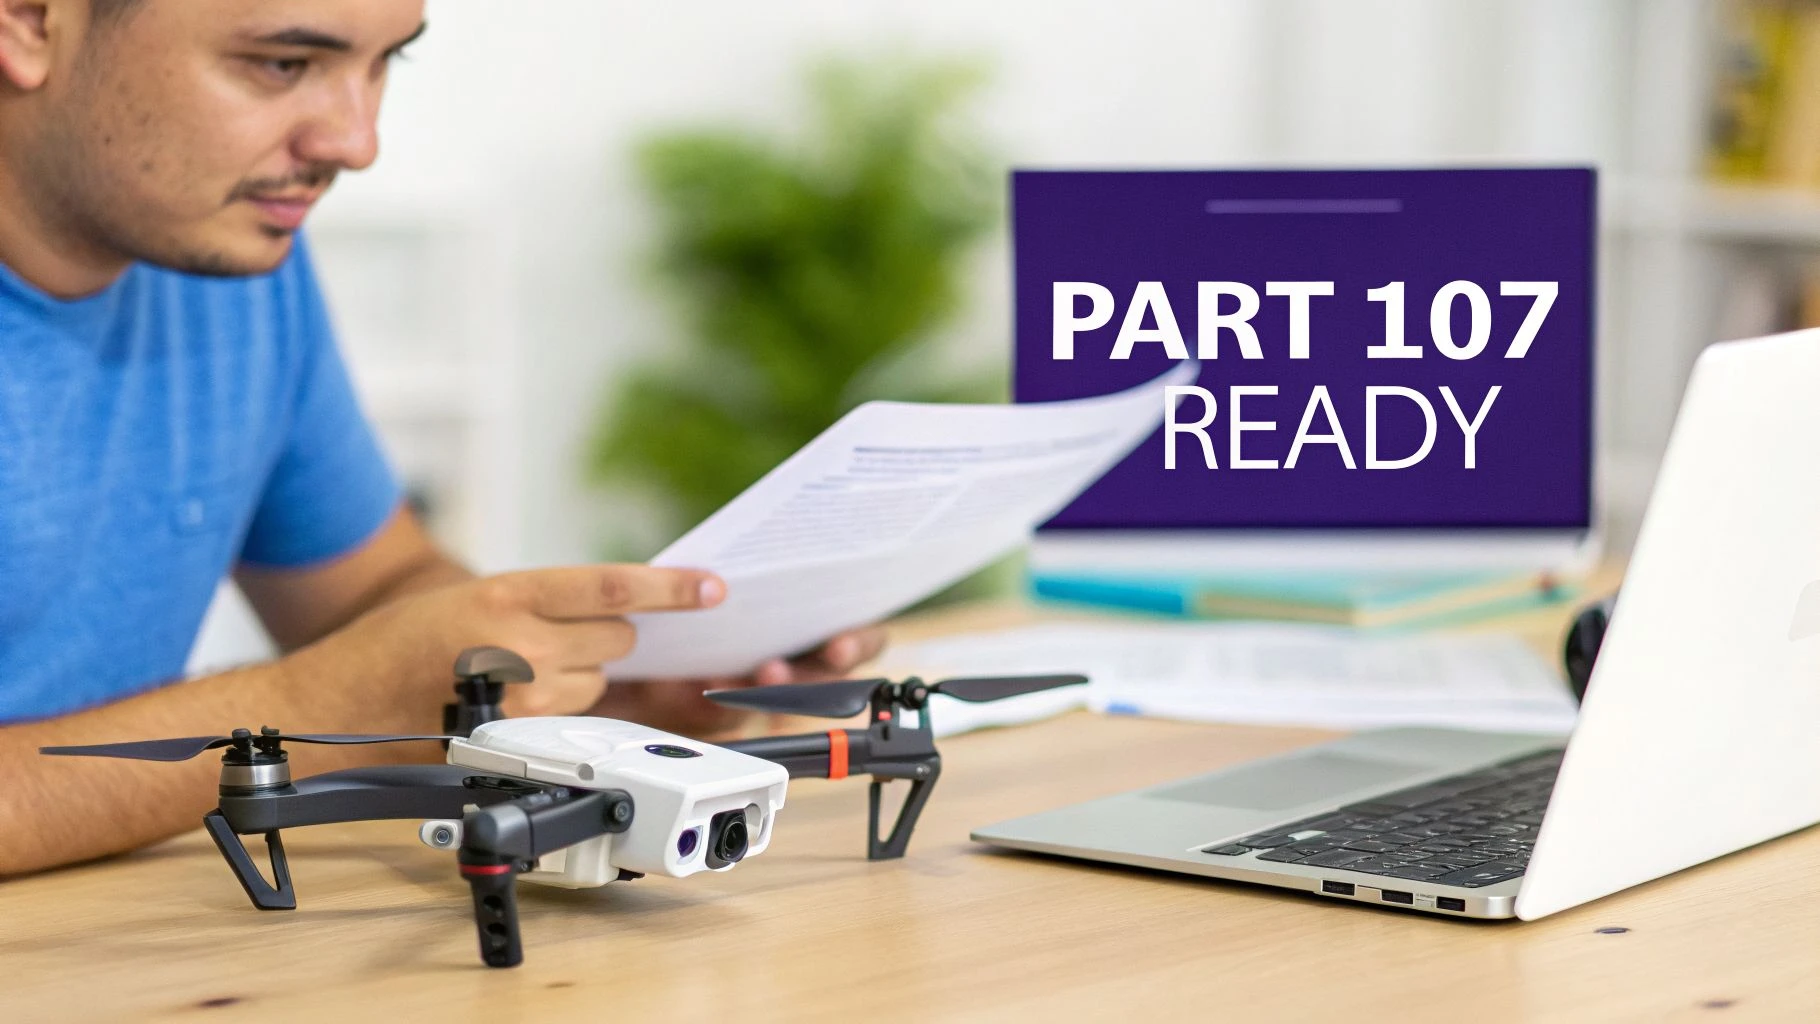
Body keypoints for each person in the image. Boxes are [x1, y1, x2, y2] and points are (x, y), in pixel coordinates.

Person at [0, 0, 883, 876]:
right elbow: (353, 680)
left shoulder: (227, 261)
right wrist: (332, 703)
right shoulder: (215, 230)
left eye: (387, 62)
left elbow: (373, 592)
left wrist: (581, 691)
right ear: (31, 22)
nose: (355, 142)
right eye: (282, 64)